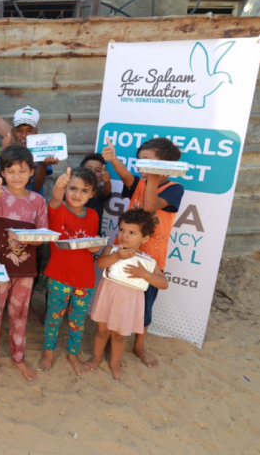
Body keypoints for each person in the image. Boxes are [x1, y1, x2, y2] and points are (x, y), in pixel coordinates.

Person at [103, 137, 184, 369]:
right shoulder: (139, 182)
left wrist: (154, 175)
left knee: (144, 307)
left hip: (151, 260)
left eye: (147, 161)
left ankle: (139, 346)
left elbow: (149, 206)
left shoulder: (174, 189)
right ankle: (111, 339)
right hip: (124, 252)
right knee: (116, 297)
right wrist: (113, 158)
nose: (141, 164)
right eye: (140, 160)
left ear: (165, 163)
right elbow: (127, 176)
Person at [0, 145, 47, 382]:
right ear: (3, 173)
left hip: (25, 269)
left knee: (19, 313)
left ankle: (19, 358)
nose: (16, 176)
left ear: (31, 172)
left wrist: (31, 239)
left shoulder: (38, 201)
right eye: (11, 171)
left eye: (22, 170)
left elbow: (42, 236)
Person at [85, 209, 168, 379]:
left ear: (144, 238)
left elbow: (163, 283)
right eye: (122, 230)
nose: (124, 235)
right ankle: (96, 358)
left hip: (127, 302)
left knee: (119, 335)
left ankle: (114, 364)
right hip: (108, 297)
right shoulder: (111, 249)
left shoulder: (148, 261)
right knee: (101, 331)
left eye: (132, 232)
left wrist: (145, 274)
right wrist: (116, 256)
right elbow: (101, 264)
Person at [38, 167, 99, 376]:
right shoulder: (58, 210)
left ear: (92, 194)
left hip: (85, 278)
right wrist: (59, 184)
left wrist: (95, 248)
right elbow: (55, 197)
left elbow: (93, 243)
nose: (77, 194)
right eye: (72, 188)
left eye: (84, 190)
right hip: (59, 276)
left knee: (78, 320)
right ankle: (48, 351)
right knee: (54, 316)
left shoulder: (93, 215)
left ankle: (73, 354)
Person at [3, 106, 56, 194]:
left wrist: (43, 165)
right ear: (13, 132)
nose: (24, 135)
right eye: (19, 130)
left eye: (29, 130)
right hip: (10, 203)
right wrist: (5, 152)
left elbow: (37, 187)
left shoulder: (42, 153)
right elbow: (1, 181)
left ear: (36, 132)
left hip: (33, 203)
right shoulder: (8, 152)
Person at [81, 153, 112, 234]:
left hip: (92, 236)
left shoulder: (99, 192)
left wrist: (107, 181)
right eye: (89, 168)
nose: (92, 172)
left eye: (97, 170)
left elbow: (106, 191)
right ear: (80, 170)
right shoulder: (70, 189)